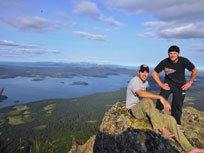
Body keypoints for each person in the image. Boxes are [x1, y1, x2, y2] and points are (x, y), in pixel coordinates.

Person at [126, 64, 203, 153]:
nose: (144, 74)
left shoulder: (145, 82)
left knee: (170, 119)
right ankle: (162, 129)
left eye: (146, 72)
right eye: (142, 71)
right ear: (138, 72)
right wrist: (160, 97)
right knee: (147, 100)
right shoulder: (134, 81)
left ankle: (189, 149)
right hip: (134, 110)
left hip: (143, 110)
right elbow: (140, 94)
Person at [152, 45, 198, 126]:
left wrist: (190, 82)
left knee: (177, 106)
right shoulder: (165, 62)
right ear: (168, 54)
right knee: (160, 103)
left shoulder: (183, 61)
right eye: (170, 53)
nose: (172, 55)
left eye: (174, 53)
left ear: (178, 54)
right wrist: (161, 84)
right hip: (168, 85)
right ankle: (156, 120)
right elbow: (154, 73)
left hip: (180, 86)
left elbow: (194, 70)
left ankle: (177, 125)